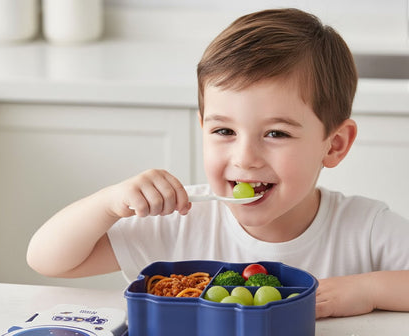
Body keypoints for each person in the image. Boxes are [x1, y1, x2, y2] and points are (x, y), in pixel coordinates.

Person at [27, 8, 409, 319]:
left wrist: (369, 289)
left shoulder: (365, 229)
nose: (244, 157)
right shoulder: (180, 221)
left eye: (276, 134)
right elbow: (48, 260)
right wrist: (108, 203)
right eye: (224, 131)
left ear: (335, 145)